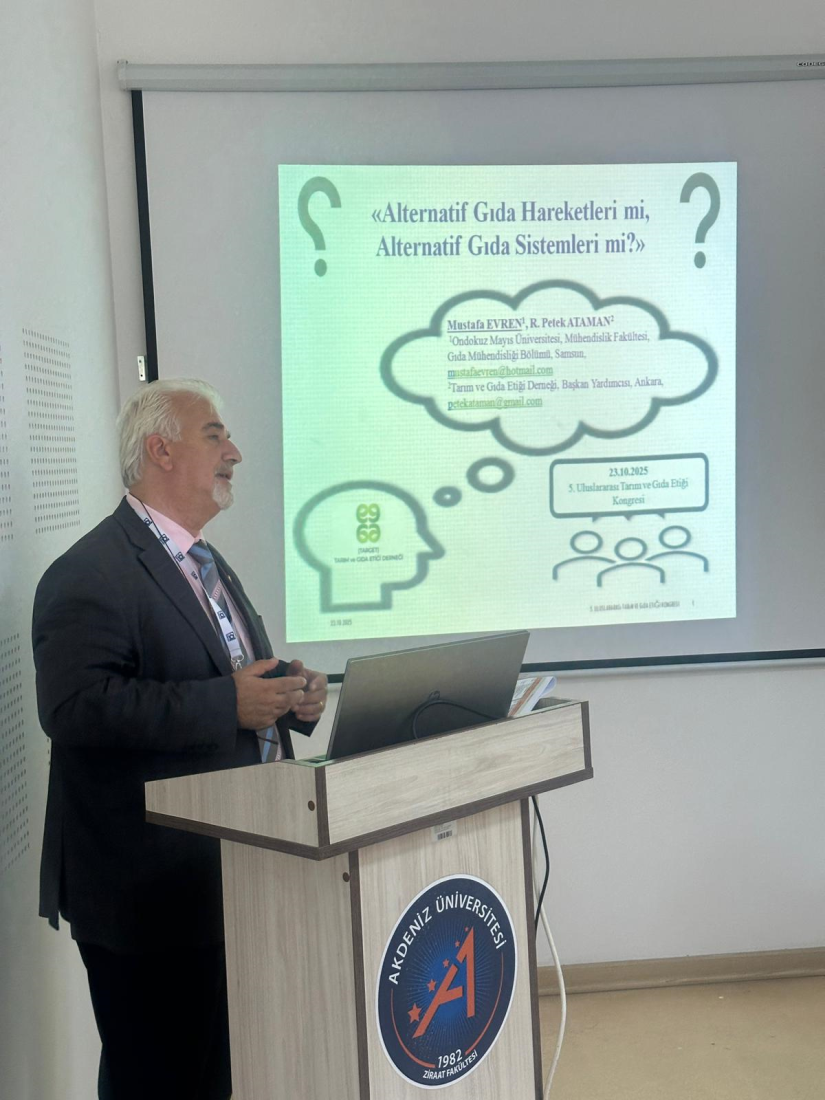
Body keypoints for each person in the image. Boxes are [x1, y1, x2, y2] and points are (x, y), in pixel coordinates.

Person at [32, 378, 328, 1100]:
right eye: (215, 436)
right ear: (160, 451)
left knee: (213, 1074)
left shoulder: (203, 561)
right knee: (157, 1080)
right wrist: (229, 704)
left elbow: (222, 675)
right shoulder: (88, 573)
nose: (235, 453)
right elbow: (75, 708)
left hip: (227, 871)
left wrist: (290, 697)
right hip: (145, 890)